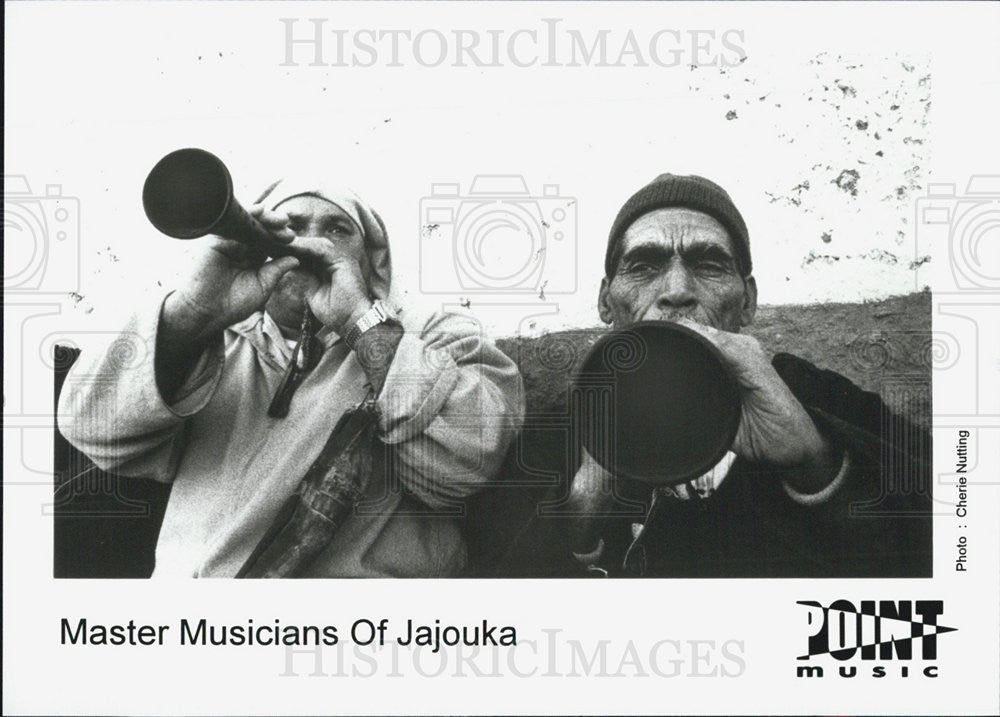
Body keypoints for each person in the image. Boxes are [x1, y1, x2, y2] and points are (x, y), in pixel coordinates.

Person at [57, 178, 524, 578]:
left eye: (337, 230)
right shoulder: (210, 337)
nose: (310, 244)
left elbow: (471, 462)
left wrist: (360, 321)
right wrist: (196, 310)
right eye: (291, 228)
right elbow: (92, 428)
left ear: (369, 263)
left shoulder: (432, 332)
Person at [498, 173, 930, 578]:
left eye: (708, 265)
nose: (676, 290)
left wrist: (816, 465)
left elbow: (956, 541)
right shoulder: (558, 434)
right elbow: (493, 612)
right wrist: (585, 503)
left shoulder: (815, 398)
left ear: (747, 302)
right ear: (606, 301)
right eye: (644, 266)